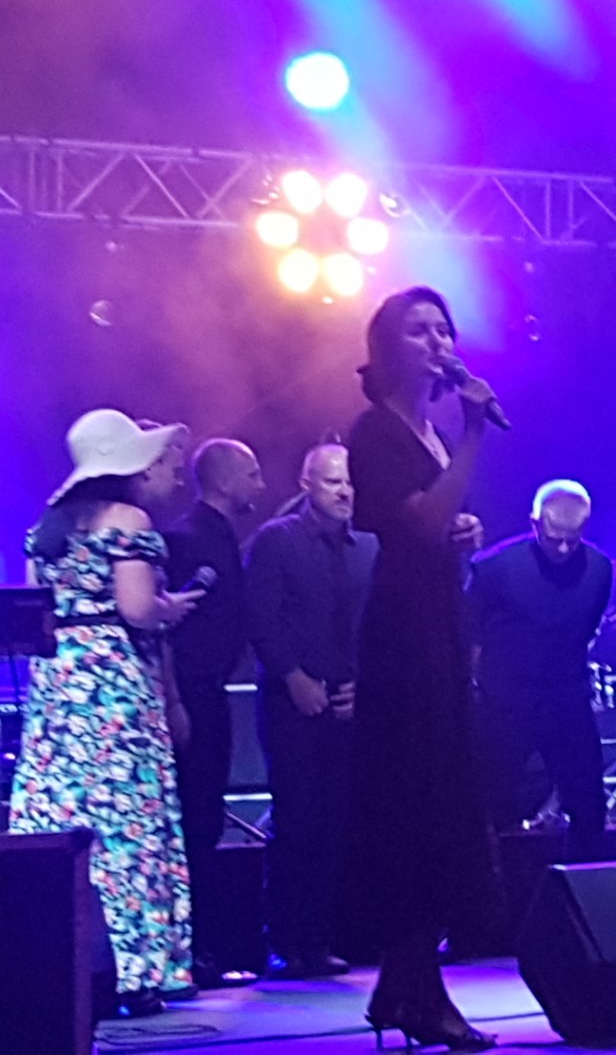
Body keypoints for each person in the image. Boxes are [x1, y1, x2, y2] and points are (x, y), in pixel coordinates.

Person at [342, 286, 501, 1052]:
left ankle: (401, 984)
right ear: (387, 347)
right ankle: (421, 993)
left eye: (444, 328)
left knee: (440, 802)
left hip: (438, 622)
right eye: (419, 330)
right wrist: (475, 434)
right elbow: (416, 521)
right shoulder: (374, 430)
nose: (438, 341)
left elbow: (438, 522)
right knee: (419, 804)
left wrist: (464, 530)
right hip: (402, 636)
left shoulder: (429, 431)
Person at [11, 409, 202, 1018]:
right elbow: (138, 608)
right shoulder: (128, 521)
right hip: (113, 685)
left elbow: (37, 607)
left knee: (63, 822)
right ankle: (137, 972)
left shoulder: (45, 528)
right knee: (127, 823)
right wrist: (171, 608)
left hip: (58, 686)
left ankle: (61, 963)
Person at [244, 442, 376, 980]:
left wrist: (364, 686)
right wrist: (293, 677)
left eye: (349, 482)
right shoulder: (276, 541)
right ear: (306, 485)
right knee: (295, 820)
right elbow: (261, 618)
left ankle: (318, 940)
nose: (344, 491)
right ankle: (283, 940)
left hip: (348, 702)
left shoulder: (369, 547)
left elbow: (379, 627)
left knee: (334, 824)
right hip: (290, 700)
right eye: (332, 482)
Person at [163, 438, 267, 989]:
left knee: (204, 819)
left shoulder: (218, 535)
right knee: (195, 820)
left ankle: (200, 950)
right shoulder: (185, 539)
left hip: (210, 692)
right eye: (252, 474)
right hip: (192, 694)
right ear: (225, 480)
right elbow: (167, 631)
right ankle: (193, 952)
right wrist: (175, 700)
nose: (260, 484)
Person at [469, 480, 615, 861]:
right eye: (554, 539)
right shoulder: (493, 568)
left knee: (588, 806)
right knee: (492, 805)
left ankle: (583, 887)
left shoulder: (599, 569)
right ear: (534, 524)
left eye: (573, 539)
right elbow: (469, 633)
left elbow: (588, 628)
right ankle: (490, 888)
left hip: (567, 699)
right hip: (504, 702)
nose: (564, 549)